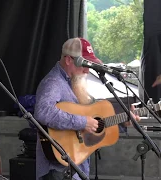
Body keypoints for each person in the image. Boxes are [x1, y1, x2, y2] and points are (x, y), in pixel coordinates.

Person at [34, 37, 140, 180]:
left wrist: (124, 122)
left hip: (76, 166)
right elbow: (42, 112)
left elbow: (95, 124)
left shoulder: (76, 83)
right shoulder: (53, 83)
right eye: (84, 63)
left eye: (90, 65)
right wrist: (83, 122)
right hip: (57, 171)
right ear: (68, 60)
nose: (87, 70)